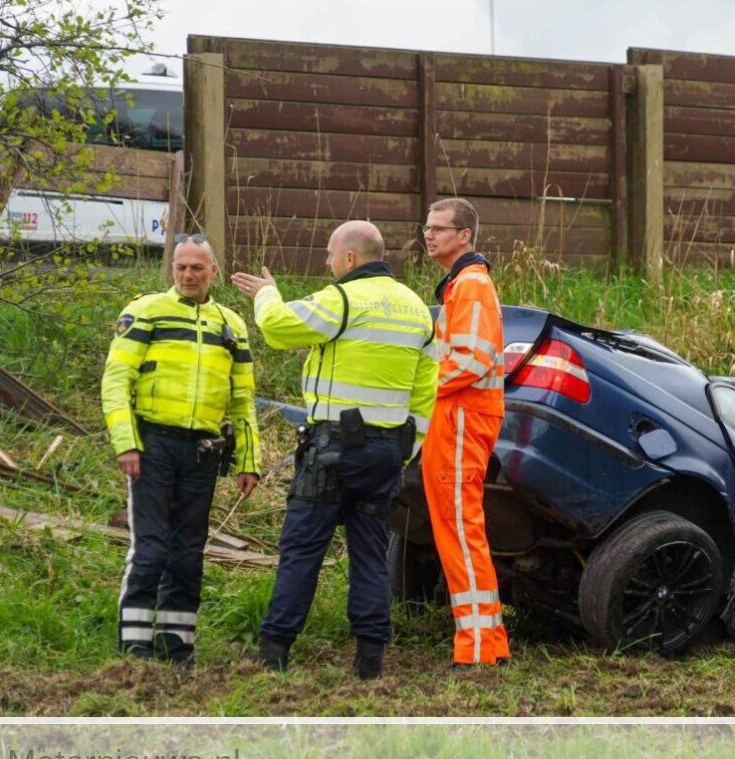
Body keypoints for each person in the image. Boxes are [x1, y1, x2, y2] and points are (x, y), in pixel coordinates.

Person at [231, 220, 436, 680]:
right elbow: (427, 390)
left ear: (349, 259)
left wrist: (267, 293)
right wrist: (410, 446)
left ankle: (274, 650)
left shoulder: (342, 298)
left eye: (329, 255)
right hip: (386, 453)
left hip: (333, 450)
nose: (327, 263)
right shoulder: (418, 310)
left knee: (303, 548)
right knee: (370, 552)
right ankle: (369, 659)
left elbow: (281, 329)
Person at [101, 234, 261, 666]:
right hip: (152, 446)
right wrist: (126, 443)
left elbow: (243, 400)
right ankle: (135, 648)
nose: (188, 275)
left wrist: (248, 460)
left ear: (214, 271)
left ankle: (177, 647)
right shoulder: (145, 310)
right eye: (181, 267)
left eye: (197, 268)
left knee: (189, 554)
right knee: (151, 549)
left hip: (203, 451)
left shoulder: (231, 324)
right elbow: (116, 381)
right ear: (172, 269)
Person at [421, 198, 510, 667]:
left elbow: (471, 361)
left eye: (439, 229)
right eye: (427, 228)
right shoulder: (463, 285)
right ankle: (488, 642)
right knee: (461, 527)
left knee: (460, 528)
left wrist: (416, 391)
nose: (429, 235)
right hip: (459, 418)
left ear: (465, 236)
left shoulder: (471, 285)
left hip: (460, 418)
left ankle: (477, 648)